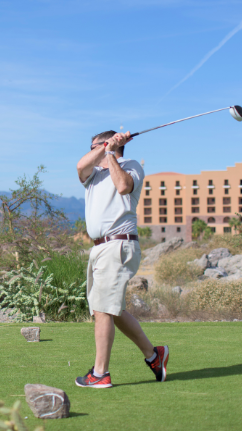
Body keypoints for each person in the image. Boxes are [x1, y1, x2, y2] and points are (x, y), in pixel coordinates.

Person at [74, 130, 168, 388]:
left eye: (95, 146)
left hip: (119, 244)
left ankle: (100, 374)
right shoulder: (92, 174)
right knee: (110, 310)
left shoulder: (131, 166)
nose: (93, 152)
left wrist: (110, 152)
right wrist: (105, 147)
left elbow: (123, 186)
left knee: (103, 309)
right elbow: (80, 165)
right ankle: (154, 355)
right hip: (99, 248)